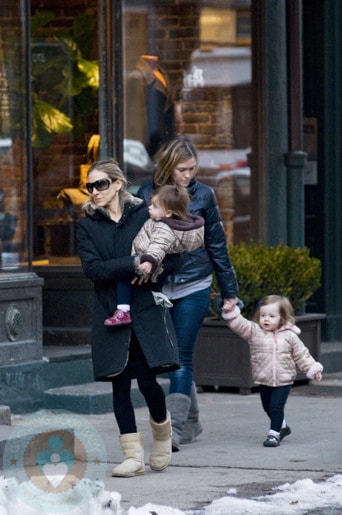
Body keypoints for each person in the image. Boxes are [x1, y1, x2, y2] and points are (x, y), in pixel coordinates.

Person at [76, 158, 182, 477]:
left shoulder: (144, 214)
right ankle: (132, 456)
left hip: (145, 308)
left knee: (149, 380)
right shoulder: (87, 225)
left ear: (118, 183)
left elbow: (175, 255)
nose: (95, 191)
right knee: (119, 383)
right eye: (90, 186)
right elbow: (93, 270)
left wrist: (154, 270)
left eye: (101, 184)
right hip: (111, 310)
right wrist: (135, 263)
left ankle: (162, 437)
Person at [137, 135, 239, 451]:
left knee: (181, 355)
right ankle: (192, 422)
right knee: (166, 358)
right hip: (158, 286)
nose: (188, 175)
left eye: (192, 169)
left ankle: (174, 431)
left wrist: (230, 291)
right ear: (168, 166)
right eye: (182, 169)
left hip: (194, 283)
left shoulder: (204, 196)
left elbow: (218, 246)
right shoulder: (146, 194)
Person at [222, 294, 323, 447]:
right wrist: (232, 311)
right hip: (264, 378)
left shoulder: (290, 336)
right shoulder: (255, 332)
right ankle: (282, 427)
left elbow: (302, 354)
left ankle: (273, 434)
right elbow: (240, 324)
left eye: (271, 316)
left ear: (282, 317)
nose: (266, 319)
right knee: (267, 407)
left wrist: (312, 368)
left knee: (276, 406)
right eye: (263, 315)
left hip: (284, 379)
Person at [104, 184, 205, 326]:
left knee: (123, 277)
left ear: (168, 213)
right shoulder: (168, 223)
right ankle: (158, 299)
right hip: (156, 267)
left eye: (155, 206)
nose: (149, 207)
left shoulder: (163, 228)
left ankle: (123, 310)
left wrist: (148, 262)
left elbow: (158, 246)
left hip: (145, 261)